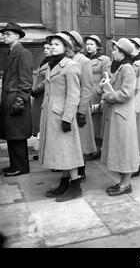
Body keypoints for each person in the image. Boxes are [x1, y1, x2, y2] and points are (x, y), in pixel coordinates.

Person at [40, 33, 84, 202]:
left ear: (66, 48)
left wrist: (67, 118)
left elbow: (74, 95)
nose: (52, 47)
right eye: (51, 44)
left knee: (68, 152)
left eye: (57, 44)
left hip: (63, 116)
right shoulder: (52, 64)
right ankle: (64, 183)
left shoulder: (71, 66)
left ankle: (76, 186)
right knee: (62, 152)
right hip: (51, 115)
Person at [99, 38, 140, 196]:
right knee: (122, 148)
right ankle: (123, 182)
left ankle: (126, 184)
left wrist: (108, 95)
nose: (112, 52)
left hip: (123, 115)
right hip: (118, 114)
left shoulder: (127, 68)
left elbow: (127, 93)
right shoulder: (121, 67)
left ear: (123, 52)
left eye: (115, 50)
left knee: (125, 149)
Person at [0, 22, 33, 177]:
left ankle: (21, 167)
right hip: (9, 100)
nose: (4, 36)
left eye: (8, 34)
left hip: (16, 101)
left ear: (17, 36)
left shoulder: (23, 53)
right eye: (4, 34)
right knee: (12, 135)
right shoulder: (12, 52)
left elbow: (26, 81)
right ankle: (15, 165)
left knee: (18, 136)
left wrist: (20, 101)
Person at [62, 31, 96, 179]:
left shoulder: (84, 61)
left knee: (79, 143)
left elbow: (87, 88)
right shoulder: (65, 60)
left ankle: (80, 172)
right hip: (67, 107)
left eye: (68, 41)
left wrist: (81, 111)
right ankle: (71, 172)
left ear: (75, 44)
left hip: (79, 109)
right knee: (69, 143)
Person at [84, 35, 111, 160]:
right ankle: (89, 147)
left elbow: (107, 78)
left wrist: (102, 96)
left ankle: (99, 149)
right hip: (86, 93)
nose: (88, 46)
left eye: (91, 44)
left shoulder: (104, 60)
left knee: (98, 122)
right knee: (88, 121)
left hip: (97, 93)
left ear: (97, 46)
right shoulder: (83, 59)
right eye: (87, 44)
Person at [30, 42, 52, 160]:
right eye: (44, 48)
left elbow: (46, 81)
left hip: (43, 94)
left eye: (48, 48)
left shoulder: (52, 62)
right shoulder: (45, 61)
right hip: (38, 96)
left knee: (44, 122)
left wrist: (35, 89)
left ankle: (45, 152)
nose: (45, 50)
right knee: (39, 122)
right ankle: (42, 151)